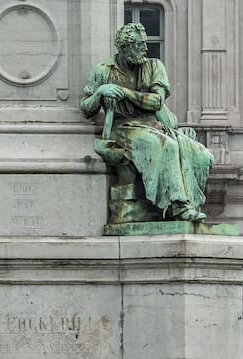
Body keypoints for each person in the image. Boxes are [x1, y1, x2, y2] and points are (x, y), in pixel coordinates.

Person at [81, 22, 215, 222]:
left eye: (145, 43)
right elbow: (86, 109)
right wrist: (100, 92)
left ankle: (190, 204)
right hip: (124, 128)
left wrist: (125, 93)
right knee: (166, 146)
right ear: (124, 47)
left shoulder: (154, 66)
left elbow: (157, 101)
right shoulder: (103, 71)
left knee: (202, 154)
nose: (145, 48)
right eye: (139, 45)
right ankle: (178, 207)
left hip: (155, 125)